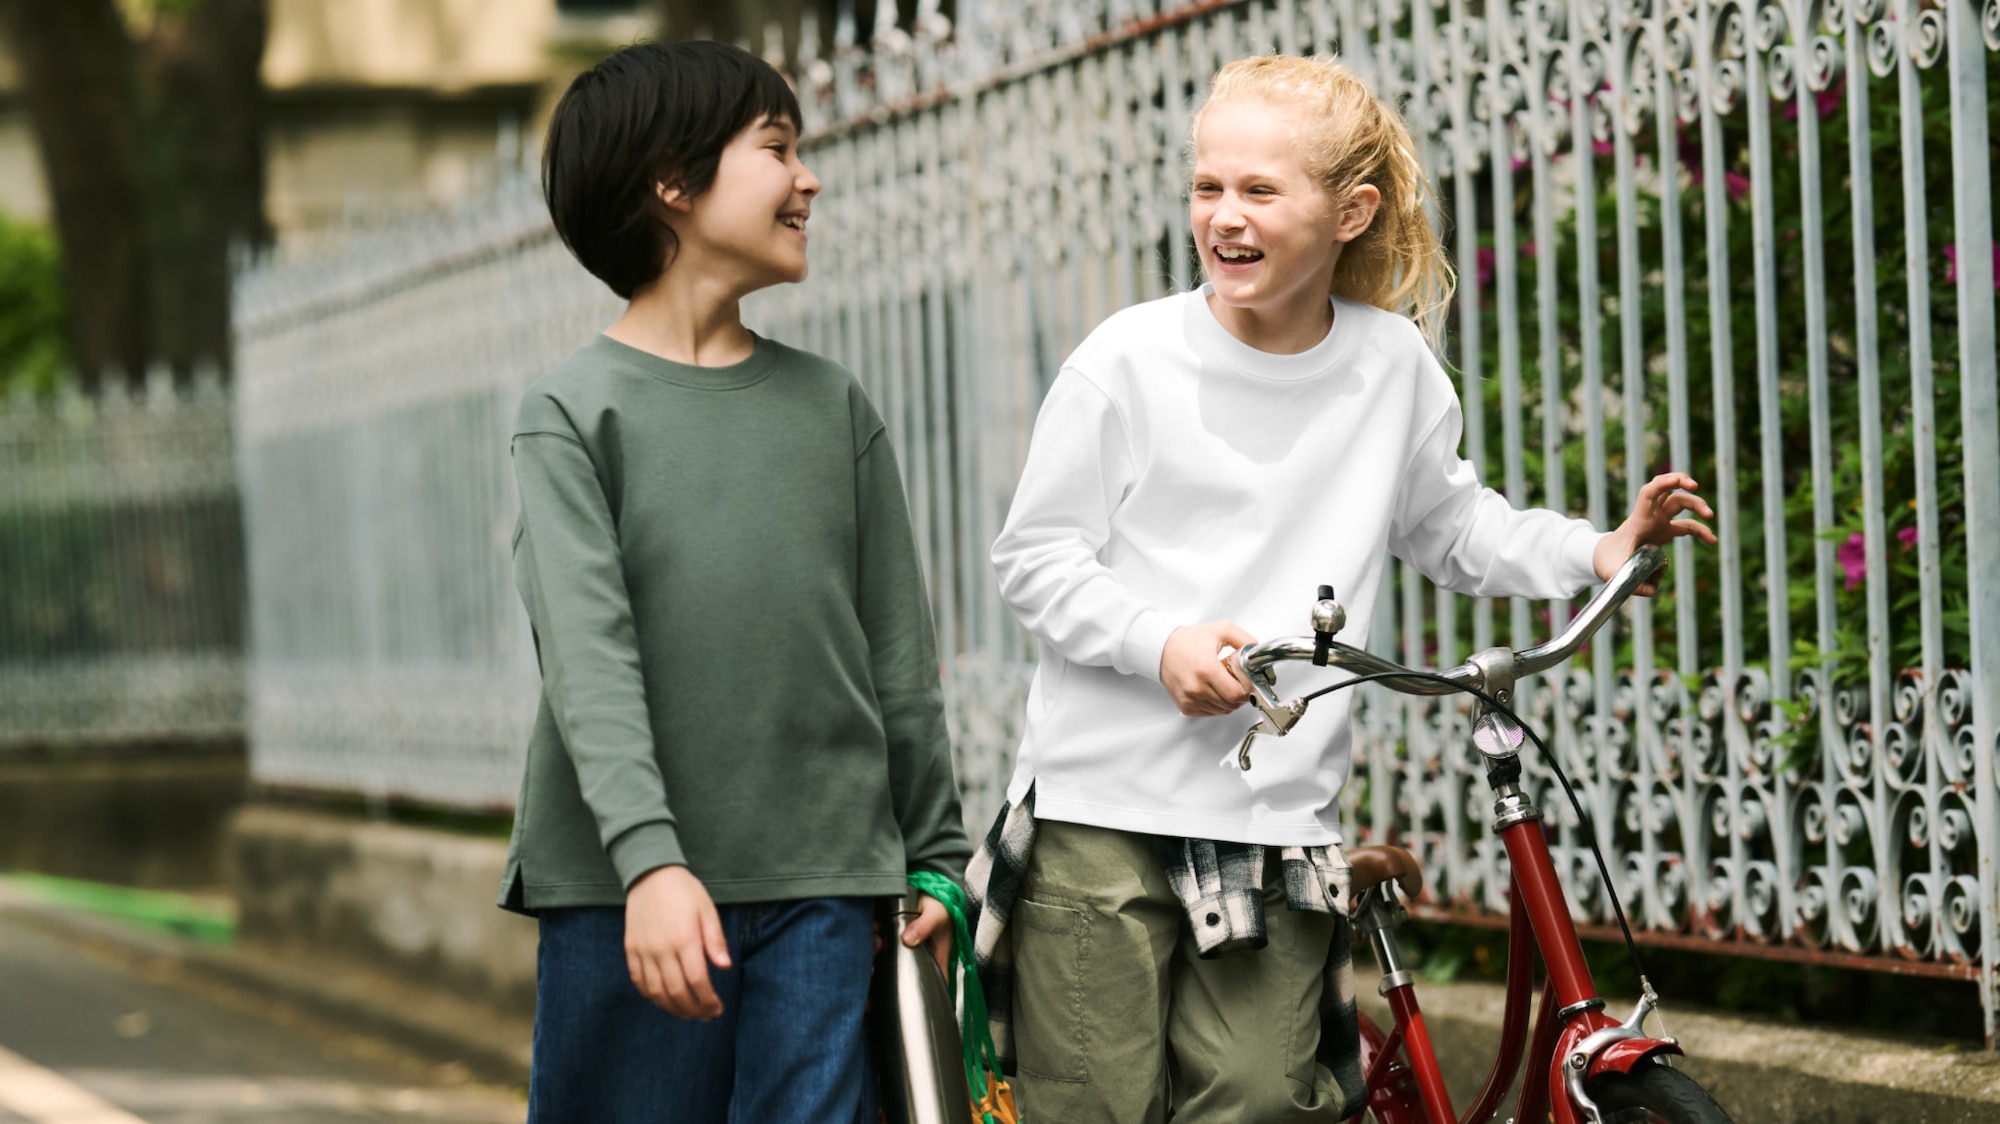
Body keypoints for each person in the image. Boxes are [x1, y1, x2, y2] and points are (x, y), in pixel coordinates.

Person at [975, 54, 1717, 1123]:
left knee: (1264, 1097)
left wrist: (1591, 551)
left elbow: (1451, 525)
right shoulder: (1125, 361)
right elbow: (1034, 557)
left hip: (1272, 813)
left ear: (1351, 210)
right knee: (1094, 1102)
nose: (1223, 216)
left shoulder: (1391, 365)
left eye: (1258, 191)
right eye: (1207, 187)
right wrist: (1157, 642)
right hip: (1102, 805)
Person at [498, 39, 970, 1123]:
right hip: (632, 891)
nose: (808, 178)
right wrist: (649, 865)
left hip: (829, 885)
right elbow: (588, 659)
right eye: (777, 149)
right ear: (672, 181)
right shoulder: (572, 411)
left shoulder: (832, 405)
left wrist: (936, 856)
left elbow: (898, 655)